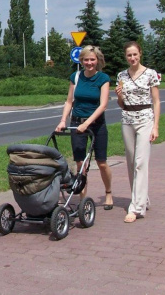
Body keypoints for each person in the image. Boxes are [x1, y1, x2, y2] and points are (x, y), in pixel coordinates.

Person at [55, 45, 113, 209]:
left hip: (96, 123)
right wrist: (62, 120)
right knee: (81, 164)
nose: (89, 63)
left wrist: (87, 123)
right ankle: (83, 199)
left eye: (92, 59)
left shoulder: (103, 78)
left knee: (101, 162)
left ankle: (108, 192)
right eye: (86, 59)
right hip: (76, 121)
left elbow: (103, 105)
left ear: (98, 61)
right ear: (82, 60)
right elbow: (69, 101)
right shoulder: (76, 76)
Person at [115, 41, 161, 223]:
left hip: (145, 119)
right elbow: (121, 103)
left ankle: (136, 208)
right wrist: (119, 94)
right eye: (129, 55)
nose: (132, 58)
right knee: (131, 161)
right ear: (125, 57)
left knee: (141, 162)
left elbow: (156, 101)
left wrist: (156, 126)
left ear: (140, 53)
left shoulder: (150, 74)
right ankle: (143, 198)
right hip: (127, 119)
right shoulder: (122, 75)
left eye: (135, 54)